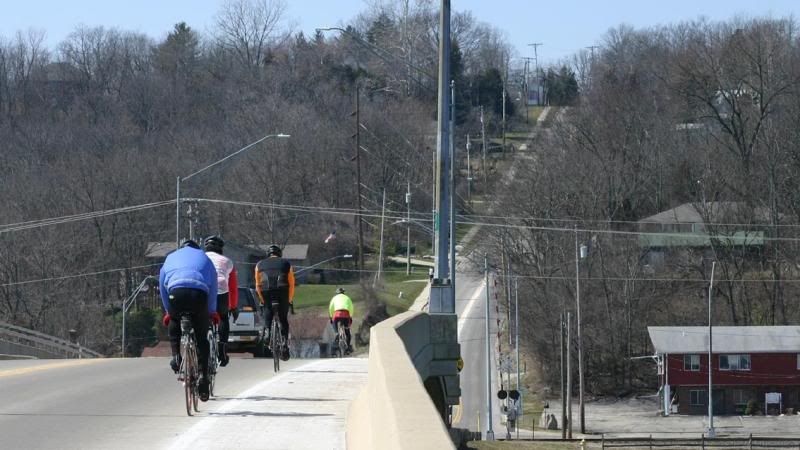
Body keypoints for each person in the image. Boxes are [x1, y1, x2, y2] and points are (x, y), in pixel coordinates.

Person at [159, 239, 220, 402]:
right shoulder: (205, 258)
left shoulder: (170, 257)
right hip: (198, 295)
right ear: (197, 248)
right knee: (201, 338)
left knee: (174, 320)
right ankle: (203, 376)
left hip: (176, 293)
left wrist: (169, 311)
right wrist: (212, 311)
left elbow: (162, 288)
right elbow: (213, 288)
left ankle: (176, 357)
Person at [254, 244, 295, 361]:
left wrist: (262, 300)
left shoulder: (259, 264)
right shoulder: (286, 264)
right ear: (279, 254)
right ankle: (285, 345)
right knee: (283, 319)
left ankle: (267, 332)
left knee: (268, 309)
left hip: (266, 290)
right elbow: (291, 284)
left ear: (268, 255)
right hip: (282, 290)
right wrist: (289, 300)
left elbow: (257, 285)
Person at [203, 235, 239, 367]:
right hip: (221, 290)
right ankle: (222, 350)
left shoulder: (201, 258)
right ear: (221, 249)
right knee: (223, 317)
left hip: (203, 290)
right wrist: (233, 307)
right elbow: (233, 288)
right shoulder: (227, 261)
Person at [328, 287, 354, 354]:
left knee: (333, 321)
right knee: (348, 333)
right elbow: (351, 307)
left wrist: (331, 317)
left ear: (337, 293)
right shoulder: (347, 298)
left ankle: (336, 332)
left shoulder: (334, 298)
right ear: (343, 292)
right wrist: (350, 316)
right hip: (346, 314)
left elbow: (331, 308)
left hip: (337, 314)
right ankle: (347, 348)